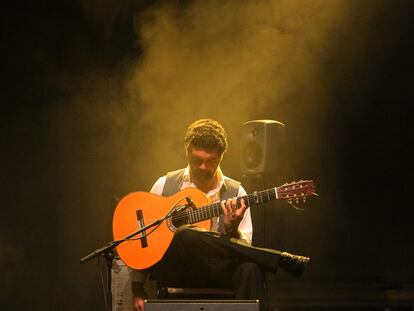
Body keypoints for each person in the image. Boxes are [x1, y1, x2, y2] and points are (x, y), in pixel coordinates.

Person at [129, 119, 309, 311]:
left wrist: (232, 227)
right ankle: (277, 258)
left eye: (211, 161)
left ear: (221, 157)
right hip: (178, 269)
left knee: (251, 268)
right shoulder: (165, 184)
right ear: (187, 151)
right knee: (184, 233)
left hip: (215, 270)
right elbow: (142, 233)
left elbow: (243, 250)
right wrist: (137, 287)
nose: (203, 167)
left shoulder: (237, 192)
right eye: (197, 160)